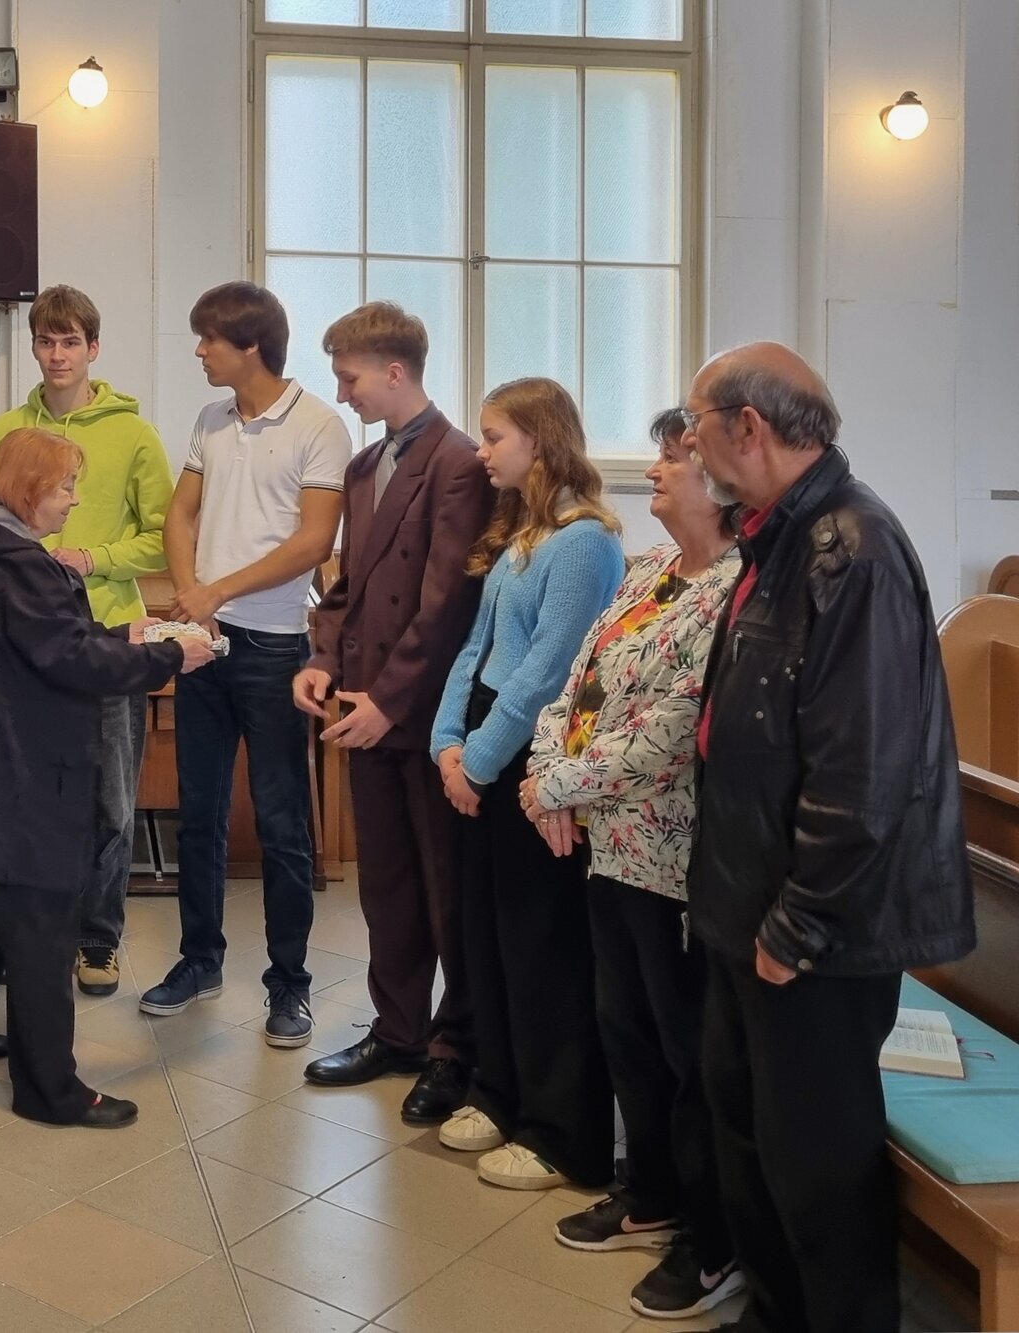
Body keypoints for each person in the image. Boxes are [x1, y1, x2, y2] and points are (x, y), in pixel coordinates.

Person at [683, 342, 973, 1333]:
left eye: (695, 422)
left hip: (815, 926)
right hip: (747, 902)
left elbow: (866, 771)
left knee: (815, 1165)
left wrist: (797, 923)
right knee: (749, 1138)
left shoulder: (854, 549)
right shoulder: (777, 536)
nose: (687, 443)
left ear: (748, 426)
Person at [0, 427, 212, 1126]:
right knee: (42, 926)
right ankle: (51, 1091)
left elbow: (49, 644)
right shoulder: (22, 567)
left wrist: (128, 634)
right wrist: (170, 658)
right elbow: (71, 663)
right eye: (66, 486)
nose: (73, 500)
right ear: (28, 490)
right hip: (22, 768)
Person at [519, 409, 743, 1320]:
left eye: (672, 458)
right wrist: (545, 774)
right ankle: (649, 1192)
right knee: (627, 1032)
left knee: (689, 1051)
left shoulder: (733, 589)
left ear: (719, 482)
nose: (653, 471)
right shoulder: (650, 571)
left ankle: (711, 1235)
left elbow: (671, 731)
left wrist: (552, 785)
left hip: (676, 856)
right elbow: (576, 686)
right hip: (609, 846)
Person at [138, 281, 353, 1049]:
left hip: (273, 649)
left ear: (251, 345)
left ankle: (289, 983)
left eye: (209, 339)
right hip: (204, 643)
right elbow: (180, 513)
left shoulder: (319, 425)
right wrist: (193, 597)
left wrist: (217, 590)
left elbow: (313, 541)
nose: (199, 350)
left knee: (282, 820)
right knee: (198, 813)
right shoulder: (212, 419)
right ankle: (199, 960)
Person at [296, 302, 495, 1127]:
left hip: (425, 712)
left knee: (446, 891)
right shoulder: (364, 465)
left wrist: (390, 699)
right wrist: (322, 659)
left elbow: (446, 603)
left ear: (394, 371)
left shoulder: (460, 463)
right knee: (386, 886)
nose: (343, 394)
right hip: (363, 704)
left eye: (349, 379)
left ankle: (458, 1048)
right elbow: (345, 584)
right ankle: (400, 1029)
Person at [428, 376, 623, 1192]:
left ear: (539, 441)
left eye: (494, 436)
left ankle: (559, 1128)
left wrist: (477, 760)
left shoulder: (584, 541)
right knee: (485, 935)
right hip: (482, 740)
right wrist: (446, 741)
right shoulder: (522, 533)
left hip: (529, 752)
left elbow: (546, 671)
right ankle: (498, 1092)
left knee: (540, 942)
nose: (482, 451)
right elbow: (475, 648)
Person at [0, 285, 174, 998]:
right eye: (45, 340)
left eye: (70, 341)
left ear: (94, 348)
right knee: (26, 796)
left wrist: (93, 559)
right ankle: (34, 933)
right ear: (32, 346)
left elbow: (164, 537)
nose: (57, 354)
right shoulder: (5, 430)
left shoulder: (134, 434)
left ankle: (98, 937)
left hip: (108, 636)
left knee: (109, 801)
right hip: (26, 642)